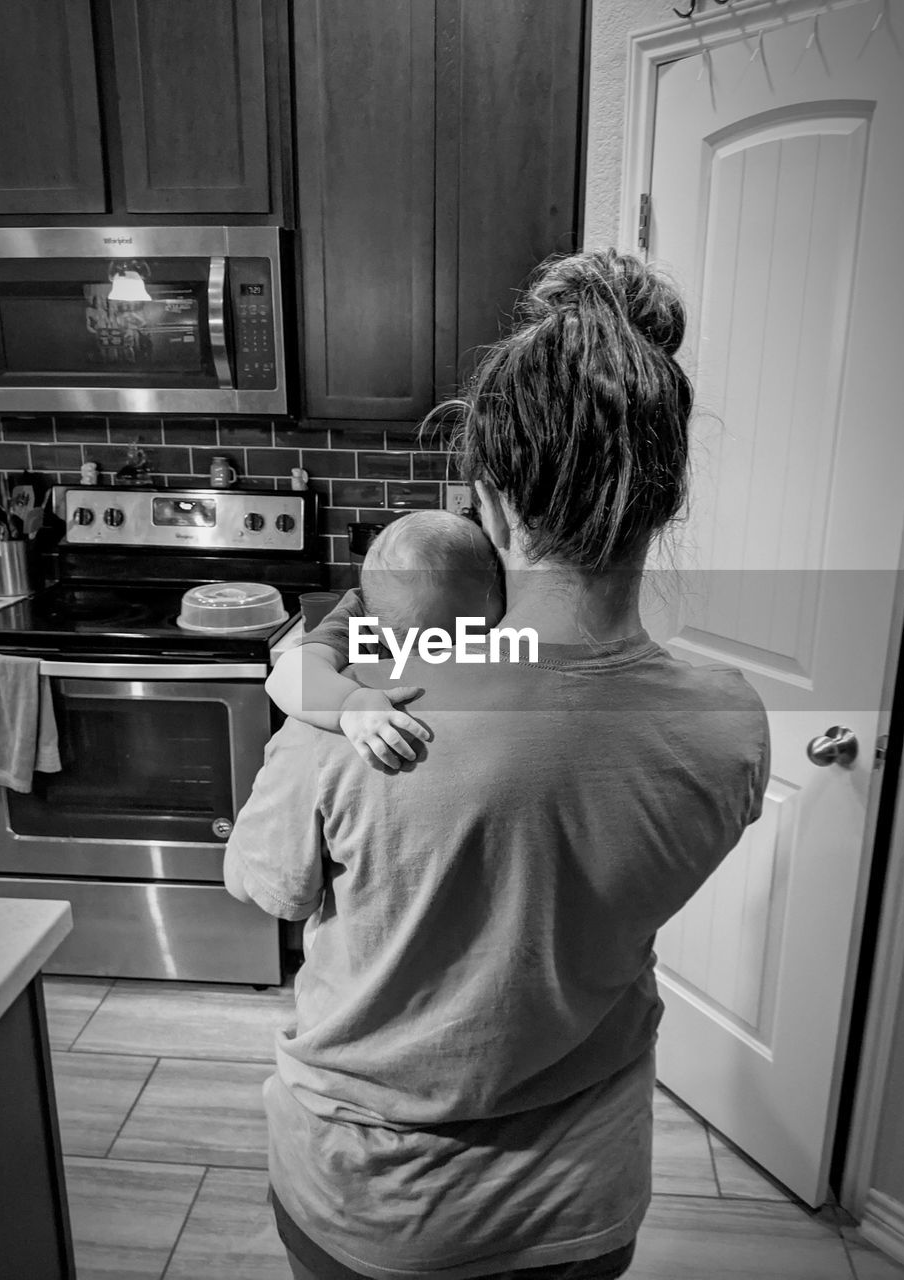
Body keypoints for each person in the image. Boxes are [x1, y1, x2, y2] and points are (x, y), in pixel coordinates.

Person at [224, 248, 770, 1280]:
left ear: (496, 505)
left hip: (372, 1203)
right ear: (660, 503)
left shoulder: (357, 722)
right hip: (583, 1199)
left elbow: (264, 885)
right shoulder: (733, 726)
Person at [266, 509, 504, 768]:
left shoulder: (499, 611)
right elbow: (287, 674)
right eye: (420, 649)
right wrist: (349, 704)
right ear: (376, 627)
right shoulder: (358, 618)